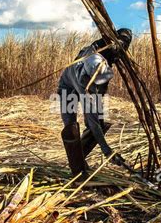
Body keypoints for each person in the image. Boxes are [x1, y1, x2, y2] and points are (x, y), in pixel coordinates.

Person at [57, 28, 133, 174]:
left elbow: (124, 34)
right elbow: (93, 122)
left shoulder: (103, 51)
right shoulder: (83, 79)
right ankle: (78, 169)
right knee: (71, 129)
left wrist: (122, 41)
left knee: (99, 122)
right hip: (67, 88)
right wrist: (107, 151)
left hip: (94, 76)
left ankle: (80, 157)